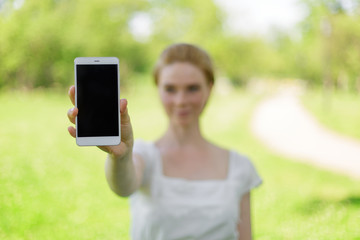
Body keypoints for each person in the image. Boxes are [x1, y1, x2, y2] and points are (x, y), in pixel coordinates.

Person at [67, 43, 262, 240]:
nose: (180, 100)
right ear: (158, 89)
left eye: (192, 88)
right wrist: (122, 156)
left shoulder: (239, 166)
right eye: (170, 89)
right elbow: (123, 186)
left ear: (209, 89)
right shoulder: (145, 155)